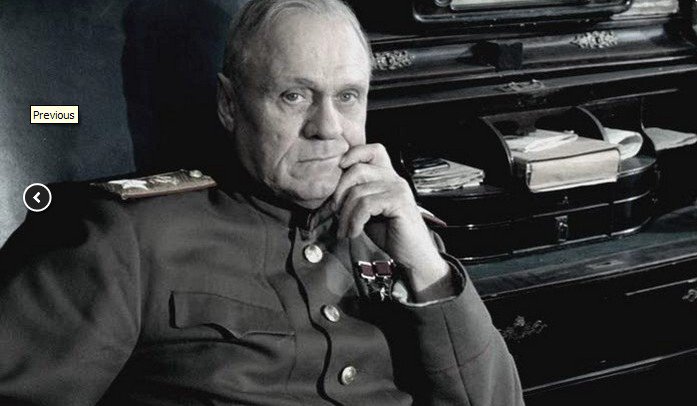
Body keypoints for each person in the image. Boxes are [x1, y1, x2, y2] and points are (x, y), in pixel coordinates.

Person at [0, 0, 523, 404]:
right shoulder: (124, 238)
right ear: (230, 104)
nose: (327, 128)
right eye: (294, 96)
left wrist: (427, 266)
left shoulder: (393, 230)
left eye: (347, 97)